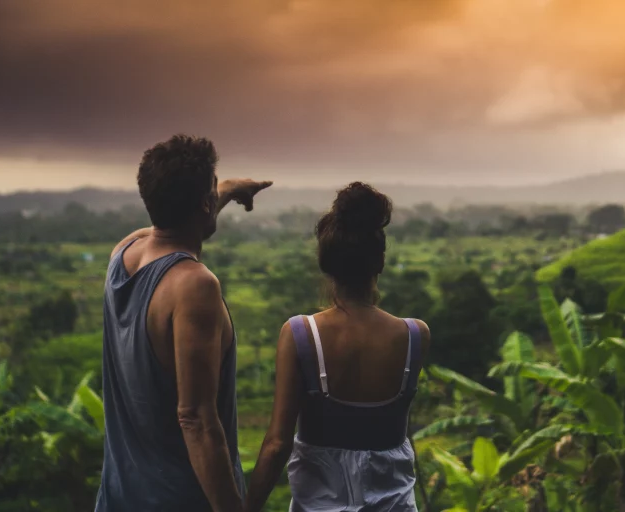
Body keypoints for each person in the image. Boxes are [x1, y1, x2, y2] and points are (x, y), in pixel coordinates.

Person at [95, 134, 272, 512]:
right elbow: (195, 419)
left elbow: (176, 221)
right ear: (205, 204)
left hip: (118, 497)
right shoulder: (194, 285)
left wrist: (226, 190)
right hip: (180, 499)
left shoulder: (124, 251)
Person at [244, 182, 430, 512]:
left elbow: (276, 444)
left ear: (326, 263)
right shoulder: (415, 336)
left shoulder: (301, 334)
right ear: (380, 262)